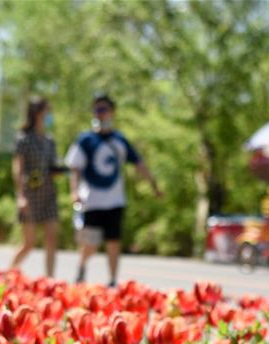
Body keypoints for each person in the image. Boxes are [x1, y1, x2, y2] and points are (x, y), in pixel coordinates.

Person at [65, 93, 161, 287]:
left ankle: (112, 280)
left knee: (113, 242)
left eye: (104, 109)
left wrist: (153, 184)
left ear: (112, 112)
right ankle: (82, 268)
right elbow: (74, 168)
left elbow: (139, 163)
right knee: (90, 244)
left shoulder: (120, 140)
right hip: (91, 200)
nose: (100, 114)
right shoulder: (85, 140)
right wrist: (74, 192)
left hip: (115, 201)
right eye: (96, 110)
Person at [10, 96, 63, 277]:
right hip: (30, 194)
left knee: (51, 239)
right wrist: (20, 196)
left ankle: (50, 280)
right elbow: (17, 167)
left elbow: (51, 166)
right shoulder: (23, 139)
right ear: (38, 113)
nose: (50, 115)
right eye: (47, 111)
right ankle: (8, 275)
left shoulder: (50, 140)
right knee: (29, 243)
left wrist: (60, 170)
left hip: (48, 194)